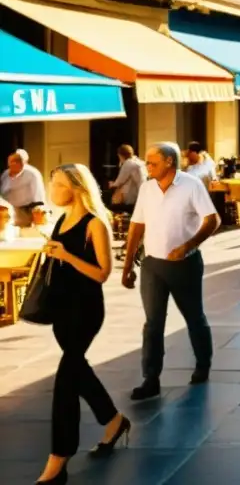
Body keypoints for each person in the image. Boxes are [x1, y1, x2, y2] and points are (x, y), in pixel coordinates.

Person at [35, 164, 130, 484]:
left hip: (85, 311)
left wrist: (67, 255)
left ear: (74, 188)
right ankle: (114, 421)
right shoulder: (62, 219)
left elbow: (102, 273)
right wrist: (53, 251)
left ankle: (58, 457)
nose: (52, 189)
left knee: (65, 382)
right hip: (62, 311)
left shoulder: (94, 224)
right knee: (79, 372)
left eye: (57, 184)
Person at [122, 143, 220, 401]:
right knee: (153, 324)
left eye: (152, 162)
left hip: (185, 265)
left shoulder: (191, 185)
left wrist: (188, 246)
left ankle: (203, 364)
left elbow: (213, 220)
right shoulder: (146, 187)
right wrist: (128, 263)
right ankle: (150, 378)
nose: (147, 166)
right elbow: (136, 225)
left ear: (169, 162)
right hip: (152, 265)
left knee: (194, 317)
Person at [1, 148, 46, 227]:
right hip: (6, 214)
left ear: (25, 161)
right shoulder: (5, 174)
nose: (14, 163)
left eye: (18, 161)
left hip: (25, 214)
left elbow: (38, 198)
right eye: (12, 161)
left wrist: (37, 218)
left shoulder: (32, 174)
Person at [108, 144, 146, 212]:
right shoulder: (140, 162)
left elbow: (120, 181)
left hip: (130, 197)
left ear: (120, 155)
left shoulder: (128, 164)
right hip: (140, 194)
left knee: (113, 208)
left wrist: (112, 184)